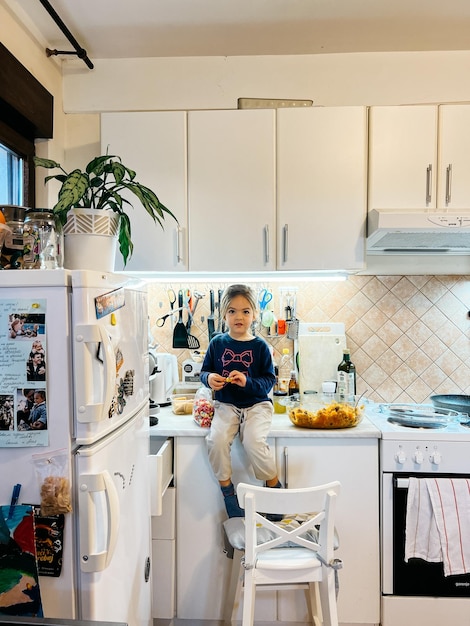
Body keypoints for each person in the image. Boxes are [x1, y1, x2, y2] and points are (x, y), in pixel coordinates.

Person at [200, 284, 282, 519]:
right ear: (224, 314)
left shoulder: (260, 347)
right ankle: (228, 491)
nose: (239, 316)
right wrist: (210, 379)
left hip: (257, 404)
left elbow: (268, 381)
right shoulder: (217, 343)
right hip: (226, 404)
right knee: (216, 439)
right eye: (233, 311)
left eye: (246, 311)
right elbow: (204, 372)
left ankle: (274, 488)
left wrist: (247, 382)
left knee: (254, 442)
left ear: (255, 315)